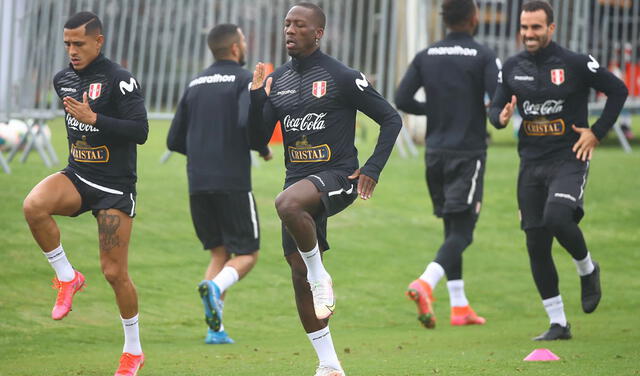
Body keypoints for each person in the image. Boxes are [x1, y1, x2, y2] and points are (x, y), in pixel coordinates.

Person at [248, 3, 402, 375]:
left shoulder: (342, 76)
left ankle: (322, 275)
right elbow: (257, 139)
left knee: (286, 205)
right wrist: (256, 96)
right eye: (287, 24)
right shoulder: (278, 80)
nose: (290, 30)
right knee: (297, 275)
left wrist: (373, 168)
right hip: (298, 181)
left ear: (318, 33)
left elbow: (390, 118)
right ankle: (329, 364)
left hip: (338, 177)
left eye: (299, 25)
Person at [489, 0, 628, 340]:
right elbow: (496, 105)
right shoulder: (512, 66)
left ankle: (587, 268)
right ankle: (558, 323)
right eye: (524, 27)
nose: (529, 34)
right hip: (530, 164)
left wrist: (597, 131)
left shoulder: (576, 63)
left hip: (569, 157)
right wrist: (499, 118)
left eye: (536, 27)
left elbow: (618, 90)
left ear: (552, 28)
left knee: (557, 218)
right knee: (536, 242)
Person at [22, 11, 148, 375]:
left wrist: (96, 119)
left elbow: (140, 131)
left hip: (114, 187)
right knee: (34, 206)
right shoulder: (62, 79)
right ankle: (66, 277)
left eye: (79, 43)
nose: (72, 51)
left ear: (99, 41)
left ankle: (132, 351)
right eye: (67, 44)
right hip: (78, 174)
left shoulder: (120, 80)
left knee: (114, 274)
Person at [395, 0, 500, 330]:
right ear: (474, 18)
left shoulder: (426, 55)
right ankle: (426, 282)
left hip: (435, 153)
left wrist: (436, 110)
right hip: (467, 153)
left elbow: (402, 99)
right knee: (465, 231)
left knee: (451, 226)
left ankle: (459, 306)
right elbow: (497, 97)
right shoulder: (483, 56)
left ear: (444, 21)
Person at [167, 23, 272, 345]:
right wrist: (260, 144)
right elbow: (247, 124)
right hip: (232, 182)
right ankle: (215, 288)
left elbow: (173, 139)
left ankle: (215, 330)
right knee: (248, 253)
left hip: (197, 182)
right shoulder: (243, 80)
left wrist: (203, 154)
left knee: (218, 253)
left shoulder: (195, 84)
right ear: (237, 49)